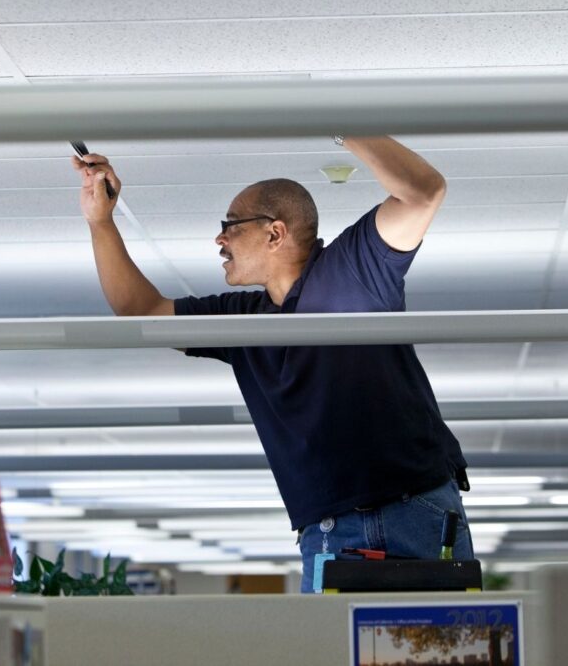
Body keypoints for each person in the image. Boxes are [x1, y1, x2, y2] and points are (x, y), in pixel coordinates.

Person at [72, 136, 473, 593]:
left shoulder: (353, 270)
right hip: (326, 532)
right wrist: (100, 221)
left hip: (406, 512)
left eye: (231, 226)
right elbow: (140, 313)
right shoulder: (241, 320)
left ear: (275, 233)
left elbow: (424, 192)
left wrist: (345, 123)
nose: (219, 239)